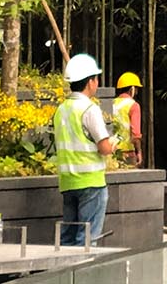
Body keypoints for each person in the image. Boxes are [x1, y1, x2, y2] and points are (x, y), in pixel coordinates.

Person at [52, 53, 113, 247]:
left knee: (68, 240)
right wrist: (114, 143)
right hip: (91, 183)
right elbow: (104, 148)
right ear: (89, 82)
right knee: (86, 241)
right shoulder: (89, 109)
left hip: (68, 182)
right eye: (96, 78)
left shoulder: (61, 110)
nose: (97, 83)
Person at [111, 73, 143, 167]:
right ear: (132, 89)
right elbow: (135, 134)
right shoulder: (133, 105)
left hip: (112, 152)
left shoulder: (111, 103)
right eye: (136, 89)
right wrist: (139, 152)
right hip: (128, 153)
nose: (136, 92)